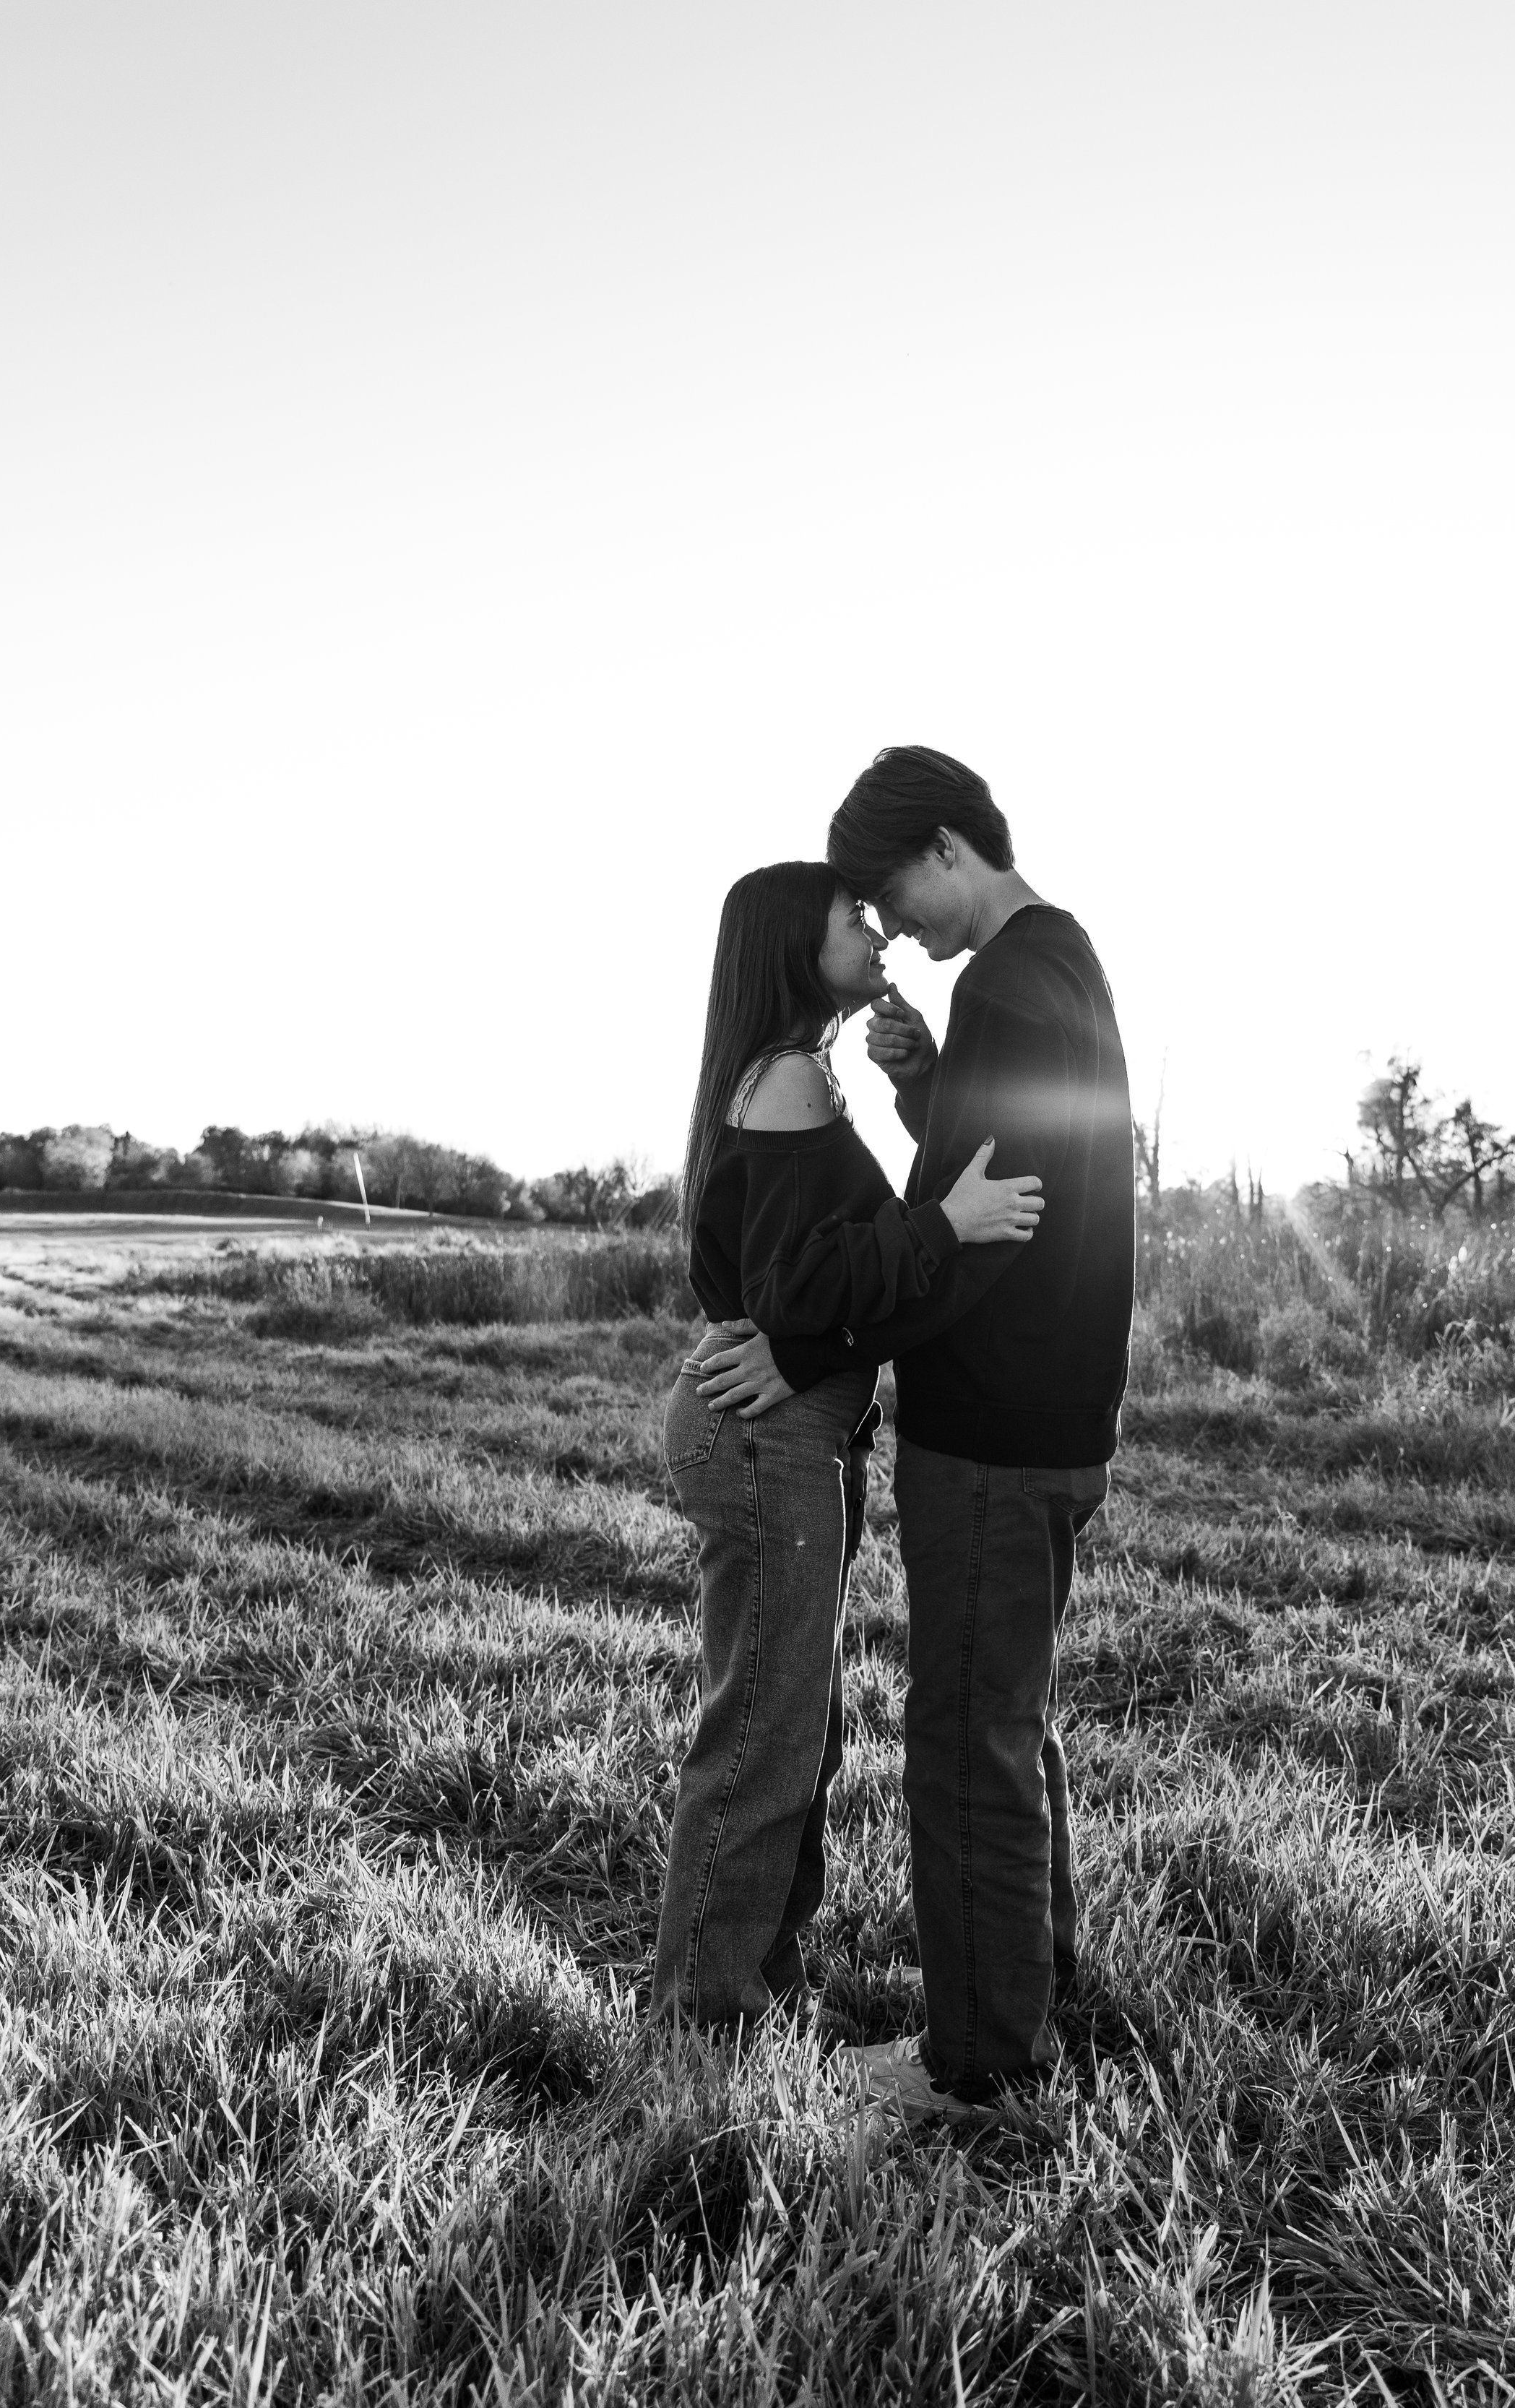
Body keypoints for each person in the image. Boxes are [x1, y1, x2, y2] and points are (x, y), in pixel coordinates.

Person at [652, 860, 1045, 2031]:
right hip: (762, 1428)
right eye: (853, 918)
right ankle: (701, 2021)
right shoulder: (787, 1080)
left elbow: (807, 1279)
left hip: (791, 1418)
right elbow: (800, 1284)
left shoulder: (795, 1072)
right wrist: (949, 1224)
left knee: (799, 1727)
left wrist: (922, 1087)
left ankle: (758, 1991)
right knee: (766, 1731)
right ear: (796, 947)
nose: (878, 933)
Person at [826, 745, 1135, 2129]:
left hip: (994, 1426)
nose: (892, 925)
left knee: (962, 1739)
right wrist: (927, 1082)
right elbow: (1005, 1171)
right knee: (1008, 1720)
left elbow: (981, 1224)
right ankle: (1033, 1990)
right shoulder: (1055, 960)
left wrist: (847, 1323)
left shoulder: (1009, 980)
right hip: (1057, 1415)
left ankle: (981, 2065)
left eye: (894, 891)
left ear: (948, 845)